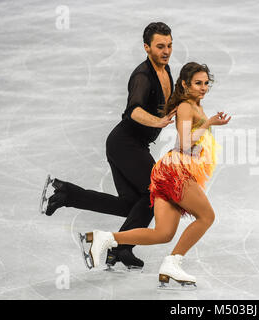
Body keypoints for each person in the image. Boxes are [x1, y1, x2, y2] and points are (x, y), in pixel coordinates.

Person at [78, 62, 231, 288]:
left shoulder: (195, 105)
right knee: (206, 217)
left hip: (169, 169)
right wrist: (208, 123)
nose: (203, 87)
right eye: (198, 83)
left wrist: (208, 127)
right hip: (176, 172)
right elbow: (186, 143)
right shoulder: (187, 106)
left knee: (163, 233)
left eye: (206, 83)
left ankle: (105, 239)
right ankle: (173, 262)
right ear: (185, 84)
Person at [40, 22, 176, 270]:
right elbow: (133, 110)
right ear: (146, 48)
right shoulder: (142, 77)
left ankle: (66, 194)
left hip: (132, 145)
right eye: (160, 46)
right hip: (125, 143)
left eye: (169, 45)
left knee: (132, 206)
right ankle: (119, 247)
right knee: (157, 192)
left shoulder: (166, 71)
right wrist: (159, 121)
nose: (166, 51)